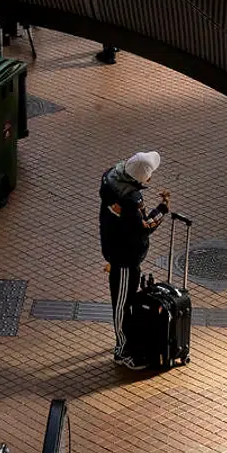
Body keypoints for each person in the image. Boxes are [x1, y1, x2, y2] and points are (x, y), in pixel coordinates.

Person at [98, 151, 170, 369]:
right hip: (125, 258)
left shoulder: (110, 179)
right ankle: (123, 351)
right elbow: (144, 226)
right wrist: (162, 209)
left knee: (124, 301)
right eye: (149, 175)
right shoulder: (131, 200)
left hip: (115, 248)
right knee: (122, 304)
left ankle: (126, 340)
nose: (150, 178)